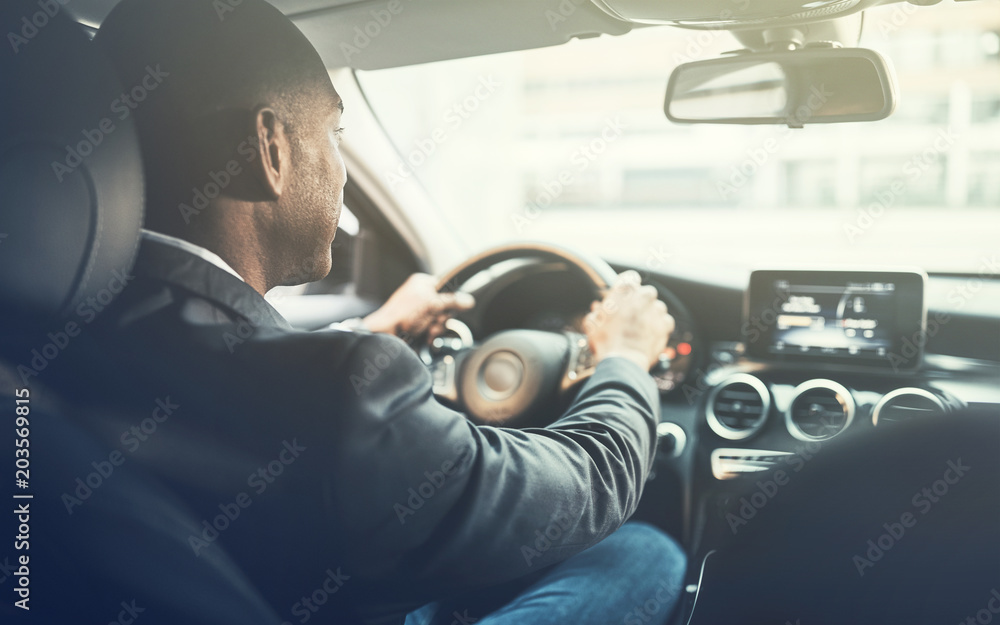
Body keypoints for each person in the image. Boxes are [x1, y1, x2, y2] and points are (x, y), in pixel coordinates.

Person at [54, 0, 688, 622]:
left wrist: (368, 335)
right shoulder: (339, 398)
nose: (341, 173)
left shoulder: (52, 324)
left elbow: (235, 387)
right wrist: (626, 360)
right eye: (335, 132)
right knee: (642, 554)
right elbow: (585, 487)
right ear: (267, 150)